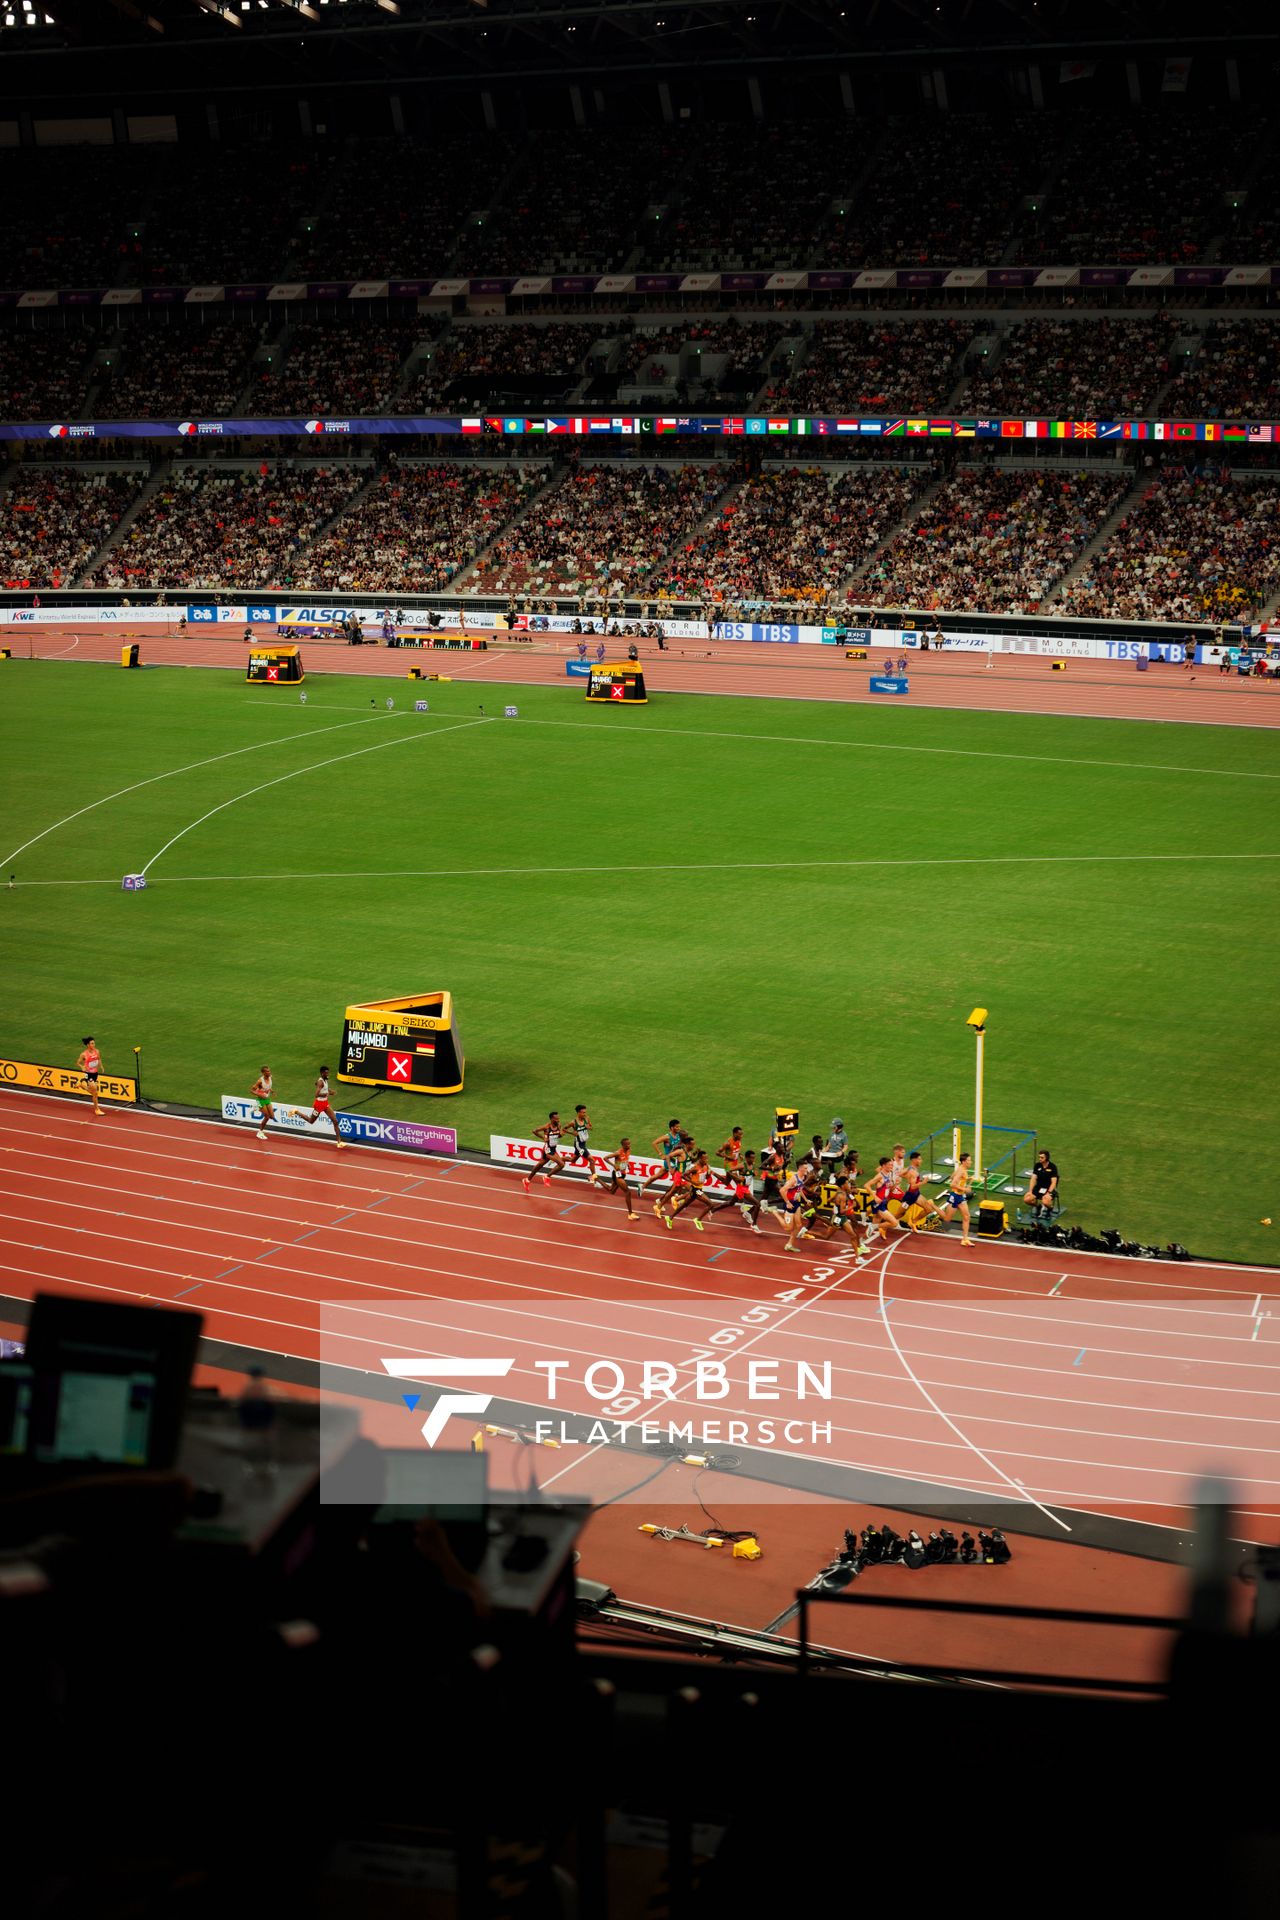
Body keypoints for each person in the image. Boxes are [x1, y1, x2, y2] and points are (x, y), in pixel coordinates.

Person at [710, 1151, 765, 1234]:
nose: (753, 1159)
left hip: (746, 1187)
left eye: (754, 1157)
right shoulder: (742, 1165)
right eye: (751, 1158)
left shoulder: (752, 1165)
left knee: (731, 1203)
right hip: (741, 1188)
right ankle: (754, 1225)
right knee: (758, 1204)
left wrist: (753, 1174)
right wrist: (737, 1178)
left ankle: (713, 1210)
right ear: (747, 1158)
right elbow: (729, 1171)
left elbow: (751, 1175)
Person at [936, 1151, 975, 1245]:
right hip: (955, 1196)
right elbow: (952, 1184)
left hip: (961, 1196)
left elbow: (952, 1176)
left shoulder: (961, 1169)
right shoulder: (961, 1170)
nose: (971, 1162)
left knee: (967, 1217)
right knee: (947, 1219)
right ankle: (932, 1205)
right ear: (964, 1161)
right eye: (969, 1160)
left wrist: (967, 1179)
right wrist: (965, 1189)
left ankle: (965, 1239)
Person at [523, 1111, 568, 1190]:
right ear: (551, 1119)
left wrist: (561, 1134)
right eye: (556, 1119)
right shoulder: (547, 1127)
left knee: (539, 1166)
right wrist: (543, 1138)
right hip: (548, 1149)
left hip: (553, 1148)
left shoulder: (559, 1126)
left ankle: (527, 1180)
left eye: (558, 1119)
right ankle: (547, 1176)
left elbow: (557, 1136)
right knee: (561, 1164)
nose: (558, 1120)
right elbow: (534, 1131)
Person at [302, 1066, 345, 1147]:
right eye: (326, 1073)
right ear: (322, 1073)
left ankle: (339, 1142)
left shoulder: (324, 1080)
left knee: (335, 1121)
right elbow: (316, 1094)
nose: (328, 1074)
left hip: (325, 1103)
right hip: (318, 1104)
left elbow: (324, 1088)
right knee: (311, 1121)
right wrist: (327, 1094)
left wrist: (330, 1091)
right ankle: (296, 1111)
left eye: (328, 1072)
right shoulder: (320, 1082)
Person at [640, 1119, 685, 1196]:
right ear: (672, 1128)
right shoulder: (667, 1137)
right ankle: (678, 1197)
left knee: (658, 1175)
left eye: (679, 1127)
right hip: (669, 1160)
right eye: (677, 1127)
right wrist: (661, 1154)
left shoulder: (678, 1136)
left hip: (676, 1160)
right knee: (679, 1179)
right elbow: (654, 1143)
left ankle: (642, 1186)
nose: (679, 1128)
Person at [565, 1104, 599, 1187]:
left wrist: (589, 1127)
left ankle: (559, 1159)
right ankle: (593, 1179)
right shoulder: (573, 1122)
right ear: (578, 1113)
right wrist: (572, 1133)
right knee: (592, 1160)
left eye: (585, 1112)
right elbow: (564, 1129)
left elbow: (591, 1127)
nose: (585, 1114)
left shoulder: (587, 1118)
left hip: (584, 1143)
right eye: (583, 1112)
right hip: (579, 1145)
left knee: (573, 1160)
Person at [606, 1137, 640, 1220]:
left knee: (611, 1190)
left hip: (623, 1173)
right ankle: (630, 1214)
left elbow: (626, 1159)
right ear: (623, 1145)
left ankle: (596, 1178)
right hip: (618, 1174)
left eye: (630, 1143)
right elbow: (605, 1158)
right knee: (627, 1192)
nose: (629, 1145)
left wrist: (628, 1165)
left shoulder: (628, 1150)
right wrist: (614, 1165)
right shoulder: (618, 1153)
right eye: (627, 1144)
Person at [901, 1151, 936, 1229]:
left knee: (928, 1209)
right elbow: (913, 1186)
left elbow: (900, 1174)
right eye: (919, 1159)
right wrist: (923, 1182)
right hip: (910, 1195)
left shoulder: (911, 1168)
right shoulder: (913, 1171)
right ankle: (882, 1226)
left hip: (916, 1194)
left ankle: (913, 1222)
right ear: (914, 1160)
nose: (921, 1160)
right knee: (899, 1214)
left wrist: (908, 1178)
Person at [1023, 1149, 1059, 1218]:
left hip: (1049, 1188)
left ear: (1047, 1158)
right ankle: (1038, 1206)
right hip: (1039, 1187)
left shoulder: (1052, 1167)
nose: (1040, 1159)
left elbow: (1054, 1182)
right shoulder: (1037, 1165)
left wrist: (1048, 1193)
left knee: (1045, 1201)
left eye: (1042, 1157)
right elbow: (1033, 1179)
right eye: (1039, 1157)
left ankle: (1049, 1209)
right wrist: (1030, 1191)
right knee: (1027, 1199)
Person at [76, 1036, 102, 1117]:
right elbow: (78, 1062)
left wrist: (101, 1066)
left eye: (94, 1043)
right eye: (92, 1043)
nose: (94, 1044)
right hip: (89, 1074)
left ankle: (81, 1084)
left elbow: (99, 1059)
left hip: (95, 1074)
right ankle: (97, 1109)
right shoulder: (84, 1054)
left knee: (94, 1092)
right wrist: (82, 1067)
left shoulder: (97, 1051)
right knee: (95, 1092)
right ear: (88, 1045)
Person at [250, 1066, 274, 1140]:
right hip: (260, 1100)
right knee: (266, 1117)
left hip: (267, 1099)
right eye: (267, 1071)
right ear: (263, 1073)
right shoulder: (260, 1081)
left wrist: (271, 1090)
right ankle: (260, 1132)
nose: (269, 1072)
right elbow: (251, 1090)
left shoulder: (270, 1077)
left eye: (269, 1071)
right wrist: (260, 1094)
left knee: (272, 1116)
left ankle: (256, 1107)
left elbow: (267, 1087)